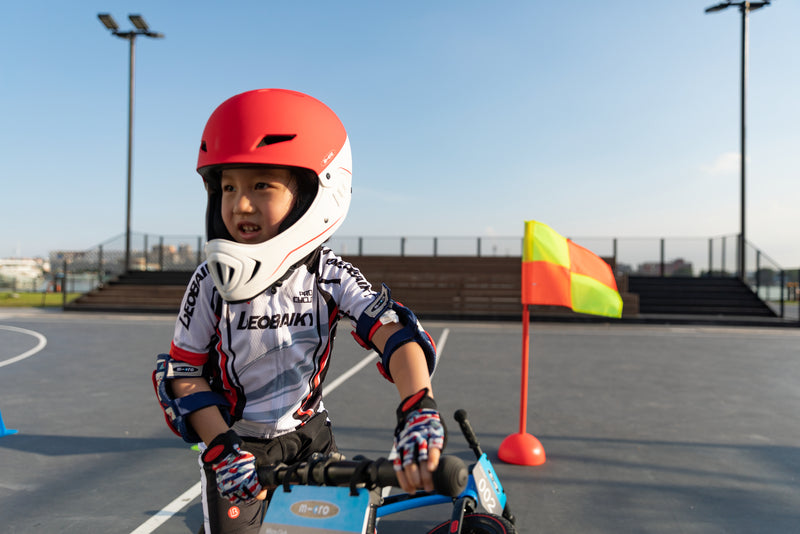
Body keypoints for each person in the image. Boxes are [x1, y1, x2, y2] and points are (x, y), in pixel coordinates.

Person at [152, 88, 445, 534]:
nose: (239, 204)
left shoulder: (328, 273)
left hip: (312, 439)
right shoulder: (209, 282)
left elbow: (395, 334)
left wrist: (419, 407)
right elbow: (182, 374)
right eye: (228, 186)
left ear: (316, 192)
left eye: (261, 185)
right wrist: (222, 450)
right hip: (237, 446)